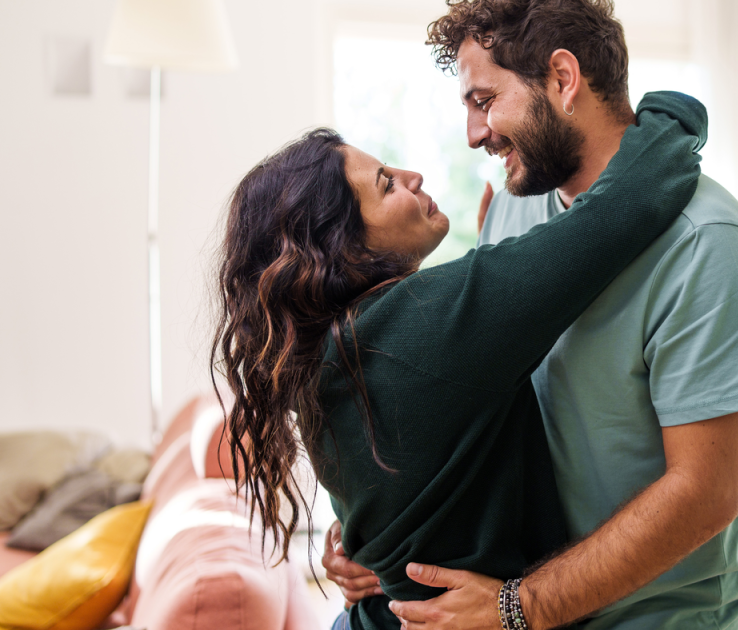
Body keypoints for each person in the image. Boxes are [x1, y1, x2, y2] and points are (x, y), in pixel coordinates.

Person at [325, 1, 738, 629]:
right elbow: (472, 390)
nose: (474, 134)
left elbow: (704, 494)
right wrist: (379, 528)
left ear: (563, 80)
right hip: (535, 597)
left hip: (653, 613)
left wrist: (522, 606)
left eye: (484, 100)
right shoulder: (518, 204)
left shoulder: (709, 243)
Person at [211, 91, 707, 630]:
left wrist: (355, 546)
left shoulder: (323, 352)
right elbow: (631, 201)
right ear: (344, 249)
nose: (413, 176)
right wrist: (666, 109)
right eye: (386, 184)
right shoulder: (423, 327)